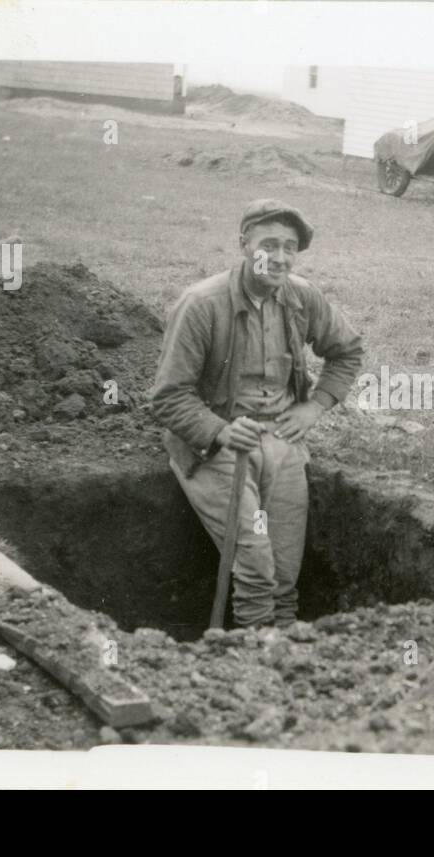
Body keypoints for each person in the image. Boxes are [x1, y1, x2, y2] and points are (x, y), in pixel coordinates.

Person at [150, 199, 364, 628]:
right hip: (217, 451)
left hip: (283, 444)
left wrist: (314, 407)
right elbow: (168, 396)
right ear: (244, 244)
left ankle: (285, 661)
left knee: (285, 574)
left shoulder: (302, 297)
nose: (280, 257)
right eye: (269, 244)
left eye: (290, 247)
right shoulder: (202, 304)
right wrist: (221, 431)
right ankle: (251, 667)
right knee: (256, 568)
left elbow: (348, 351)